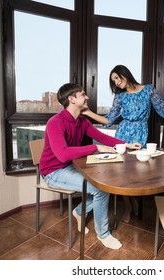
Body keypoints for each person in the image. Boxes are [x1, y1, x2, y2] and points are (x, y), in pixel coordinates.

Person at [82, 65, 164, 223]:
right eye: (113, 81)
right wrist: (87, 112)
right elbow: (108, 119)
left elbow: (161, 107)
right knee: (121, 173)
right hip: (123, 133)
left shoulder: (148, 89)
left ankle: (133, 203)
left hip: (140, 133)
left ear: (125, 74)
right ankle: (129, 207)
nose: (117, 83)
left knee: (136, 172)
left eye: (117, 78)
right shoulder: (120, 96)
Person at [39, 83, 141, 250]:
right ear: (71, 99)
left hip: (70, 167)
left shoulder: (82, 121)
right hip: (53, 172)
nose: (87, 97)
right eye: (82, 94)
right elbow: (63, 154)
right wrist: (95, 147)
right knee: (100, 189)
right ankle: (103, 234)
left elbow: (102, 137)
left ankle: (79, 211)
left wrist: (127, 144)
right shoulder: (55, 122)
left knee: (104, 182)